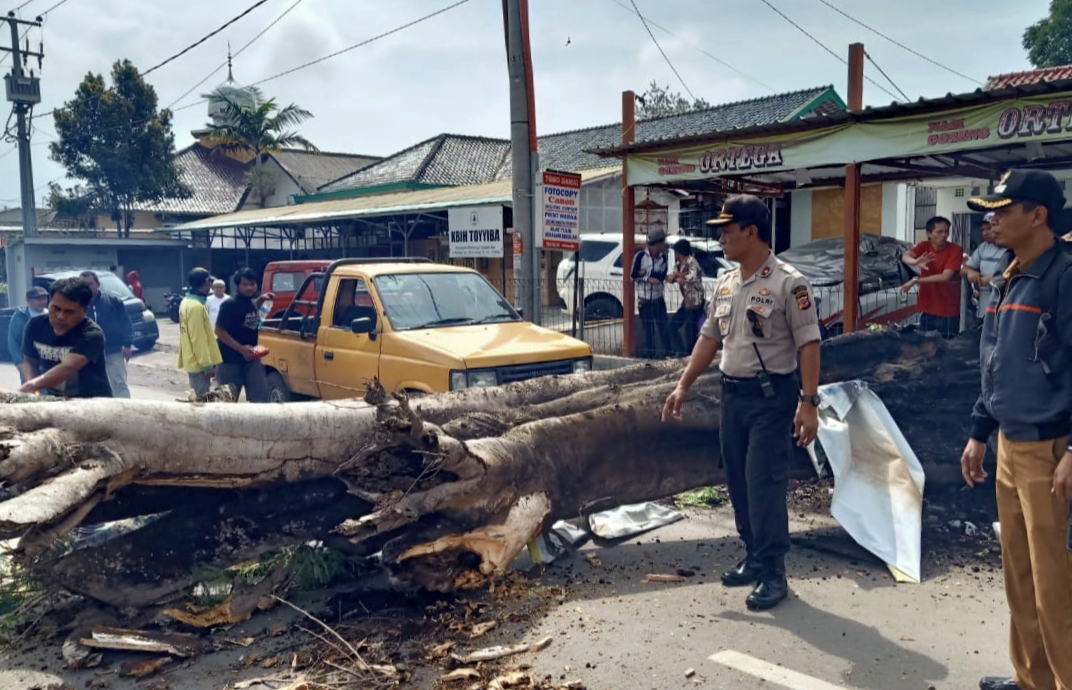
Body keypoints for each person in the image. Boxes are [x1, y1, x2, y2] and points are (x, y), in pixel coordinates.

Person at [662, 194, 821, 611]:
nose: (722, 238)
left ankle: (774, 572)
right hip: (732, 397)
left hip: (772, 399)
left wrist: (809, 402)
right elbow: (708, 338)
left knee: (763, 482)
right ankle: (753, 554)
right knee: (736, 480)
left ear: (751, 232)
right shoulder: (727, 282)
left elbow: (809, 344)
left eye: (728, 230)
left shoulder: (790, 283)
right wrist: (683, 385)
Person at [961, 169, 1072, 690]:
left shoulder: (1065, 276)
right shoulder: (1010, 275)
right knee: (1021, 579)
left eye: (1004, 209)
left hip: (1050, 452)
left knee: (1058, 587)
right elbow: (994, 360)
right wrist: (980, 431)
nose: (993, 218)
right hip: (1009, 444)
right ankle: (1033, 680)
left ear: (1038, 215)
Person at [17, 277, 112, 398]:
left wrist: (29, 387)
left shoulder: (91, 334)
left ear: (84, 311)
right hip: (57, 402)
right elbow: (29, 362)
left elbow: (68, 367)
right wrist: (35, 390)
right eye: (56, 308)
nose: (60, 316)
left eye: (69, 312)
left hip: (93, 404)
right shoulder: (35, 325)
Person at [215, 267, 274, 403]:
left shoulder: (251, 303)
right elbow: (219, 331)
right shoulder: (229, 304)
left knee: (260, 398)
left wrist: (260, 300)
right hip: (229, 361)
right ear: (238, 285)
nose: (249, 288)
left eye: (252, 284)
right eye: (245, 285)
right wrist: (241, 348)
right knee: (227, 401)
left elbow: (249, 312)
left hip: (252, 360)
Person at [900, 217, 963, 338]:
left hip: (948, 308)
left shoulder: (955, 249)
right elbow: (905, 257)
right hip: (928, 306)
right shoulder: (924, 246)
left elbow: (945, 277)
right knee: (925, 345)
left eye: (946, 231)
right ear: (929, 233)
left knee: (947, 346)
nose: (944, 235)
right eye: (939, 232)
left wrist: (915, 280)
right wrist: (915, 262)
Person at [79, 271, 134, 398]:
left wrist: (127, 345)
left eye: (90, 284)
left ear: (98, 284)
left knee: (119, 384)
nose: (87, 287)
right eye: (83, 285)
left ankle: (124, 412)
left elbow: (126, 323)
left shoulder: (112, 301)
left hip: (113, 351)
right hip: (87, 355)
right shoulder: (76, 305)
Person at [178, 268, 223, 401]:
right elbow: (198, 338)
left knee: (199, 398)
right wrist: (207, 364)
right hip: (198, 363)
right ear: (206, 284)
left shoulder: (186, 302)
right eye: (209, 282)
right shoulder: (196, 306)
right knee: (201, 401)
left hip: (191, 358)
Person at [630, 229, 672, 358]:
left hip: (658, 299)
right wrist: (647, 278)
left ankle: (667, 353)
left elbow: (661, 275)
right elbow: (632, 275)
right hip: (644, 299)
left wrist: (646, 273)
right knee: (648, 329)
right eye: (662, 242)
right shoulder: (641, 256)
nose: (663, 245)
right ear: (656, 244)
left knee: (663, 327)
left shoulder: (663, 257)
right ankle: (650, 355)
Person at [963, 212, 1007, 320]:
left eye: (990, 228)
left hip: (1005, 304)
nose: (985, 233)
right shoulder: (983, 247)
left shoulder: (1012, 248)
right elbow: (965, 269)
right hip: (985, 306)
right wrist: (970, 272)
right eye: (983, 230)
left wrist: (993, 279)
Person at [667, 238, 705, 356]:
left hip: (695, 302)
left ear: (679, 253)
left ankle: (691, 355)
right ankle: (681, 351)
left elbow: (691, 278)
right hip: (686, 302)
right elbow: (671, 277)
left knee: (690, 331)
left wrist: (678, 277)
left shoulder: (692, 262)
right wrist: (675, 278)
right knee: (672, 325)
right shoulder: (679, 265)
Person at [8, 287, 49, 382]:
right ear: (28, 300)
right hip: (28, 362)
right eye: (38, 299)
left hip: (48, 362)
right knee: (31, 391)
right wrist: (19, 362)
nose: (42, 301)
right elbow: (13, 341)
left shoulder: (51, 314)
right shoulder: (20, 317)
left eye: (44, 298)